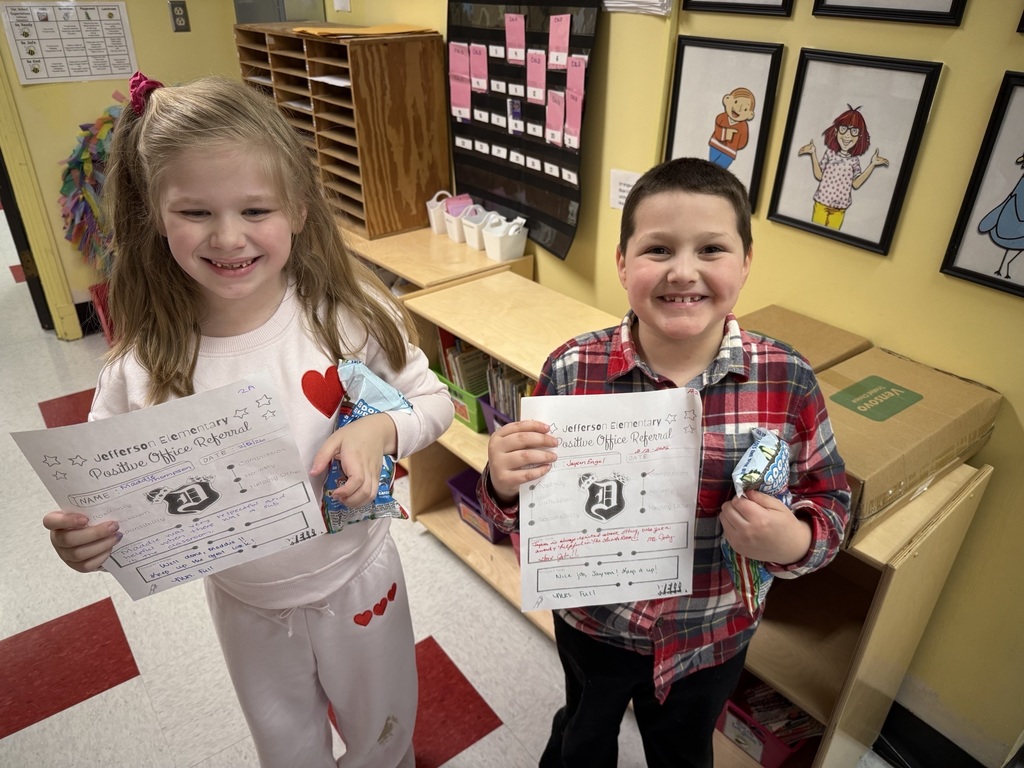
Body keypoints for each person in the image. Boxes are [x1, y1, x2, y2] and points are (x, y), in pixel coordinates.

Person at [42, 72, 454, 768]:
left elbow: (434, 401)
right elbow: (106, 504)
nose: (228, 237)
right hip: (245, 602)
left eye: (255, 208)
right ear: (155, 215)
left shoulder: (347, 320)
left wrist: (381, 429)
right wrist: (87, 544)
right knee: (285, 746)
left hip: (361, 579)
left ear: (298, 208)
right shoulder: (137, 371)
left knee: (384, 733)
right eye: (195, 212)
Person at [477, 157, 849, 768]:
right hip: (595, 623)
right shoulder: (572, 370)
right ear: (622, 263)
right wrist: (503, 483)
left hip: (712, 633)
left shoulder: (788, 379)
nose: (683, 271)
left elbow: (831, 501)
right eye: (657, 249)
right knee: (582, 736)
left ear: (745, 263)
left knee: (683, 752)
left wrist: (795, 540)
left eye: (711, 249)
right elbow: (523, 511)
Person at [798, 104, 888, 230]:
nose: (847, 135)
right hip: (821, 203)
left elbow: (856, 184)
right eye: (843, 129)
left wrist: (872, 165)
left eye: (854, 131)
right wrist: (813, 153)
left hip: (840, 208)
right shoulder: (830, 153)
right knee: (814, 231)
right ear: (836, 131)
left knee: (831, 235)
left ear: (860, 137)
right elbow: (819, 176)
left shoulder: (854, 161)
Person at [708, 87, 755, 170]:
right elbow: (718, 128)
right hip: (715, 146)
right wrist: (726, 134)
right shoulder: (722, 117)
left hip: (729, 153)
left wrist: (733, 142)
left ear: (749, 114)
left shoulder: (743, 126)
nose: (739, 108)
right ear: (727, 100)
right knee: (711, 165)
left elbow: (742, 142)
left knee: (719, 170)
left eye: (745, 109)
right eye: (736, 102)